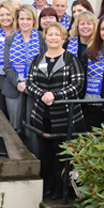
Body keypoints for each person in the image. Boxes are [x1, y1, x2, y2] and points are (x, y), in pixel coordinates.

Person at [21, 22, 86, 198]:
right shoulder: (37, 59)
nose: (54, 38)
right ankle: (47, 188)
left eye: (57, 34)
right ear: (45, 37)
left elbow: (78, 85)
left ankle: (60, 190)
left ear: (63, 37)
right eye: (50, 34)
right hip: (42, 116)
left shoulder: (71, 59)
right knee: (46, 155)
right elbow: (30, 83)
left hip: (65, 116)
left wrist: (55, 95)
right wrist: (43, 95)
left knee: (62, 155)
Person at [3, 4, 45, 133]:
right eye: (22, 19)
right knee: (15, 129)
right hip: (14, 88)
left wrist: (30, 83)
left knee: (33, 128)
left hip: (36, 88)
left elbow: (46, 64)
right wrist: (18, 82)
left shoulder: (42, 37)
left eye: (28, 19)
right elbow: (7, 66)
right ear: (17, 20)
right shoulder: (10, 39)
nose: (25, 22)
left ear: (34, 20)